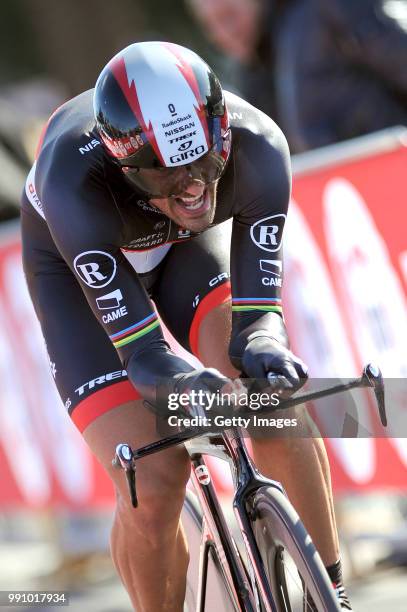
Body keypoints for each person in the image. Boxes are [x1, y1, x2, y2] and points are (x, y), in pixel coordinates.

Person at [21, 41, 352, 611]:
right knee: (153, 476)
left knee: (271, 402)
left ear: (221, 132)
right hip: (77, 273)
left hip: (181, 251)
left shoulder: (259, 147)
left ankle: (334, 593)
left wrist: (263, 345)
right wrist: (184, 385)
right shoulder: (73, 185)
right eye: (166, 176)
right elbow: (145, 359)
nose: (194, 187)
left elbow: (257, 321)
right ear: (125, 166)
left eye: (204, 163)